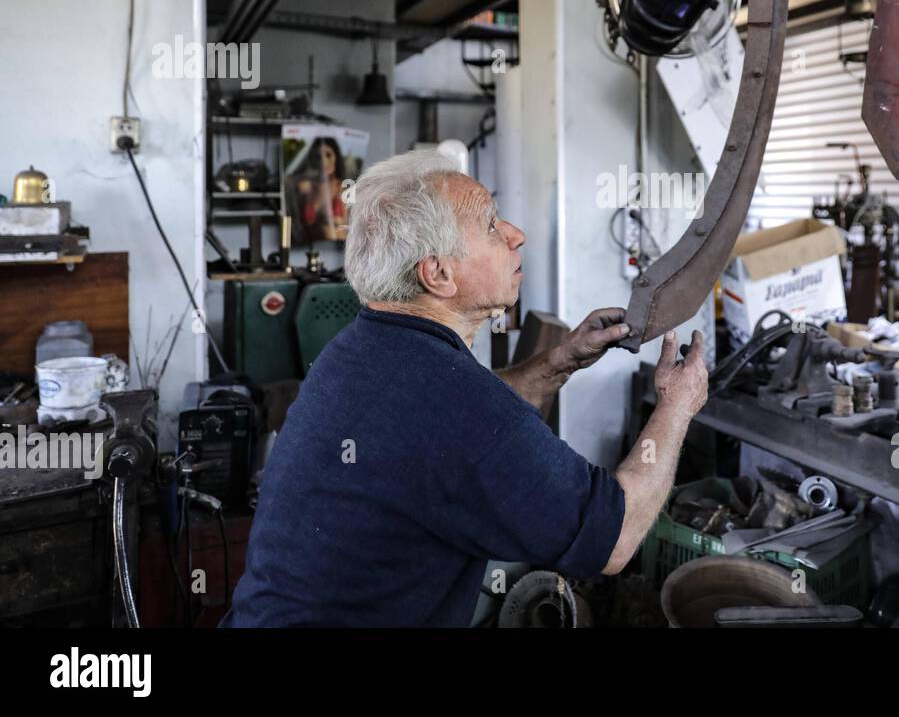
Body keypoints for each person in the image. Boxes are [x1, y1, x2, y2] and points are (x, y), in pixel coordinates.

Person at [225, 149, 709, 626]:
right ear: (437, 274)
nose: (516, 236)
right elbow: (615, 538)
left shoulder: (365, 347)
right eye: (492, 226)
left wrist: (558, 362)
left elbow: (449, 433)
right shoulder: (449, 401)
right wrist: (678, 403)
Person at [293, 136, 348, 242]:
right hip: (311, 245)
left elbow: (348, 224)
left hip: (339, 247)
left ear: (336, 157)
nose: (324, 161)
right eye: (318, 157)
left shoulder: (344, 186)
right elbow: (302, 222)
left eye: (328, 155)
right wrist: (319, 200)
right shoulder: (305, 186)